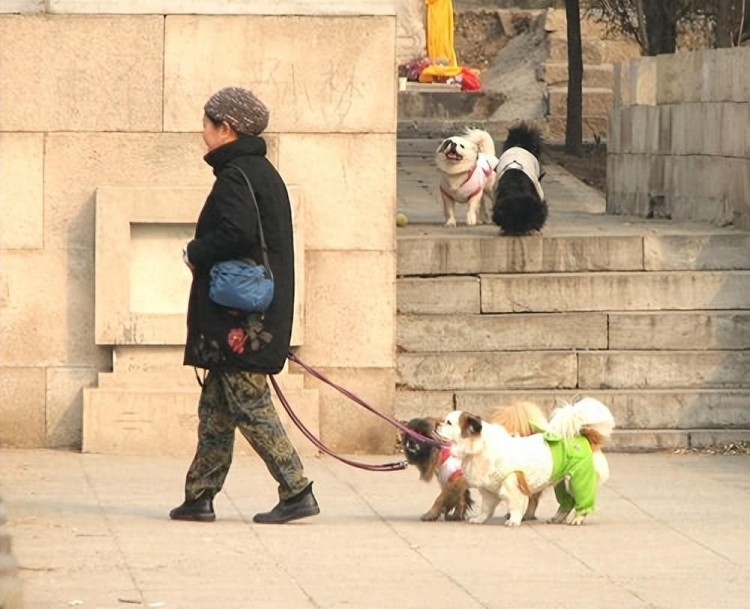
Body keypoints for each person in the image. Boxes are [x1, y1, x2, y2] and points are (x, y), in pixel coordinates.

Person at [169, 86, 319, 525]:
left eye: (207, 124)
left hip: (243, 318)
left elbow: (236, 233)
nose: (202, 132)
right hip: (250, 314)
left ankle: (297, 489)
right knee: (216, 406)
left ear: (226, 128)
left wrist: (195, 252)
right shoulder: (258, 171)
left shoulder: (238, 174)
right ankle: (200, 495)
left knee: (249, 405)